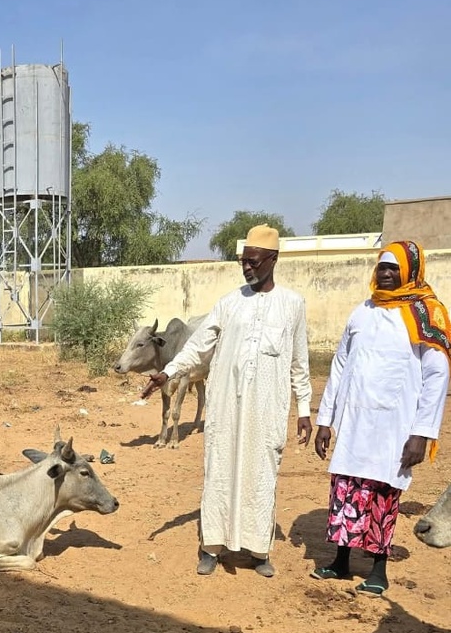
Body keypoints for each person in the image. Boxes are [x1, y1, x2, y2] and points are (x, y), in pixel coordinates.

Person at [141, 224, 312, 578]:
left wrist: (305, 411)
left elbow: (299, 362)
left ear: (273, 259)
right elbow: (197, 346)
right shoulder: (229, 304)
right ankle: (212, 547)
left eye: (253, 261)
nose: (247, 268)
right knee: (219, 471)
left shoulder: (293, 305)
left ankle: (258, 550)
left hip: (267, 409)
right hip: (225, 407)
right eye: (242, 262)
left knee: (261, 474)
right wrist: (168, 372)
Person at [311, 240, 450, 595]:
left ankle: (378, 569)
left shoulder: (425, 313)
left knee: (382, 495)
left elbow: (437, 376)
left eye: (394, 268)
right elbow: (340, 367)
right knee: (346, 490)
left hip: (395, 426)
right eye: (382, 267)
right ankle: (340, 561)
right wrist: (326, 419)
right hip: (355, 422)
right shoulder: (362, 311)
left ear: (410, 271)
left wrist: (422, 432)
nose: (386, 274)